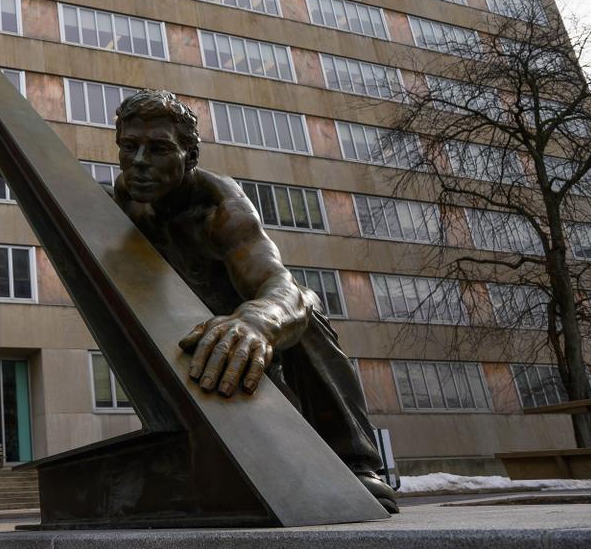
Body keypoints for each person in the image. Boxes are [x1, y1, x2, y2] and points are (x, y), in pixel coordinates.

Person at [109, 89, 398, 514]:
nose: (138, 162)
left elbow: (277, 284)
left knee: (305, 306)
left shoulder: (222, 208)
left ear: (189, 156)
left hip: (250, 327)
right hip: (192, 329)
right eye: (129, 147)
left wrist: (258, 321)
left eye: (158, 149)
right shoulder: (129, 197)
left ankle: (355, 462)